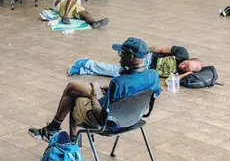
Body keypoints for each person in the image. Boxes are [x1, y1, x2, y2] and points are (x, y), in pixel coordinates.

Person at [29, 37, 160, 140]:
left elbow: (101, 115)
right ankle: (61, 133)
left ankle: (60, 134)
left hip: (110, 124)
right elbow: (146, 93)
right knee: (75, 88)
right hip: (134, 118)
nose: (119, 57)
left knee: (73, 93)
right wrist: (111, 90)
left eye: (122, 53)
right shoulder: (153, 75)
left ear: (130, 57)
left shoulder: (118, 83)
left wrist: (93, 97)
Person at [68, 44, 204, 79]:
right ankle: (86, 63)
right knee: (118, 71)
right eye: (185, 63)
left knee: (119, 74)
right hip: (148, 59)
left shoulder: (183, 74)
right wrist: (142, 51)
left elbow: (172, 82)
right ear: (188, 58)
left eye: (186, 68)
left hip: (146, 71)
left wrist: (185, 74)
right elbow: (161, 49)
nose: (182, 66)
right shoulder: (182, 52)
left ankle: (84, 68)